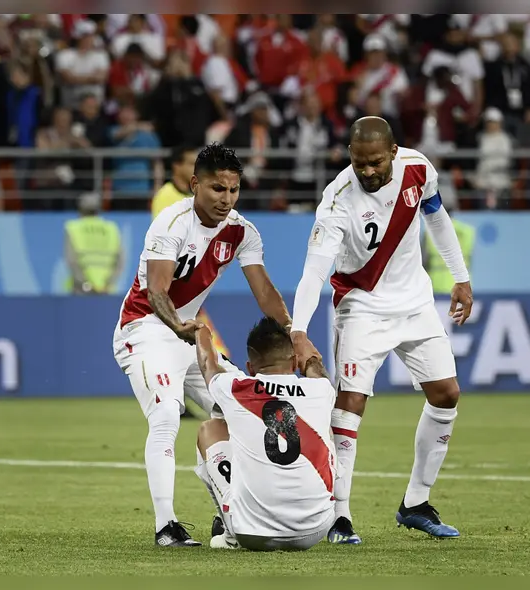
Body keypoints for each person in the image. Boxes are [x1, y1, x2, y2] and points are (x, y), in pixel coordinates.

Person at [289, 116, 472, 543]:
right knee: (350, 404)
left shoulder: (418, 168)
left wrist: (460, 277)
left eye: (375, 162)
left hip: (415, 302)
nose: (368, 171)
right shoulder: (336, 201)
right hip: (362, 306)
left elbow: (436, 216)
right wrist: (299, 331)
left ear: (393, 152)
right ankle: (339, 515)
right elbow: (314, 272)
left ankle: (416, 503)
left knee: (446, 394)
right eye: (359, 163)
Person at [111, 142, 291, 547]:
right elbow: (156, 291)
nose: (226, 199)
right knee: (166, 414)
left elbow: (264, 291)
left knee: (244, 407)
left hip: (188, 334)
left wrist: (293, 332)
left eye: (233, 189)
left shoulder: (242, 232)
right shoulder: (171, 223)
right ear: (195, 184)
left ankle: (229, 513)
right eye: (217, 189)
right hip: (144, 329)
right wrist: (179, 326)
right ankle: (166, 526)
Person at [194, 316, 335, 551]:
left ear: (250, 368)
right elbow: (316, 370)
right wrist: (308, 354)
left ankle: (229, 535)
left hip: (251, 532)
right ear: (294, 362)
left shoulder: (237, 388)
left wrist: (201, 331)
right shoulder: (320, 389)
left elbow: (208, 364)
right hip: (315, 529)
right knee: (325, 428)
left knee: (210, 428)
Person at [65, 193, 124, 295]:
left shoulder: (73, 228)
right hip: (107, 291)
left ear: (80, 209)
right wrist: (108, 284)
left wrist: (87, 285)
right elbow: (120, 262)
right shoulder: (111, 228)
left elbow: (72, 261)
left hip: (81, 290)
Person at [151, 146, 197, 218]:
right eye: (191, 164)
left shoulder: (196, 193)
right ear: (177, 166)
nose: (196, 169)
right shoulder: (164, 196)